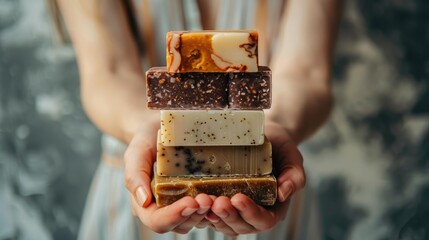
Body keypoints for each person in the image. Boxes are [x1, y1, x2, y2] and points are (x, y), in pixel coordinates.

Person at [54, 0, 341, 239]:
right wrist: (148, 128)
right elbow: (109, 71)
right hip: (147, 173)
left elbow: (306, 71)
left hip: (269, 181)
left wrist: (278, 126)